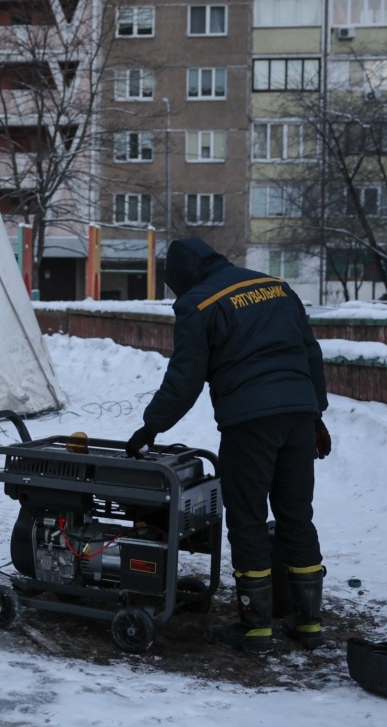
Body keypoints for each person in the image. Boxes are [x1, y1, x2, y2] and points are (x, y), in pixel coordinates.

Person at [125, 238, 331, 653]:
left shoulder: (198, 303)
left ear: (181, 277)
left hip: (250, 423)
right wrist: (316, 415)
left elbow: (184, 379)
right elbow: (310, 353)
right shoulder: (276, 287)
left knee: (248, 518)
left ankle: (255, 628)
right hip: (298, 415)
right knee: (296, 516)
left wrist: (151, 427)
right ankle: (309, 622)